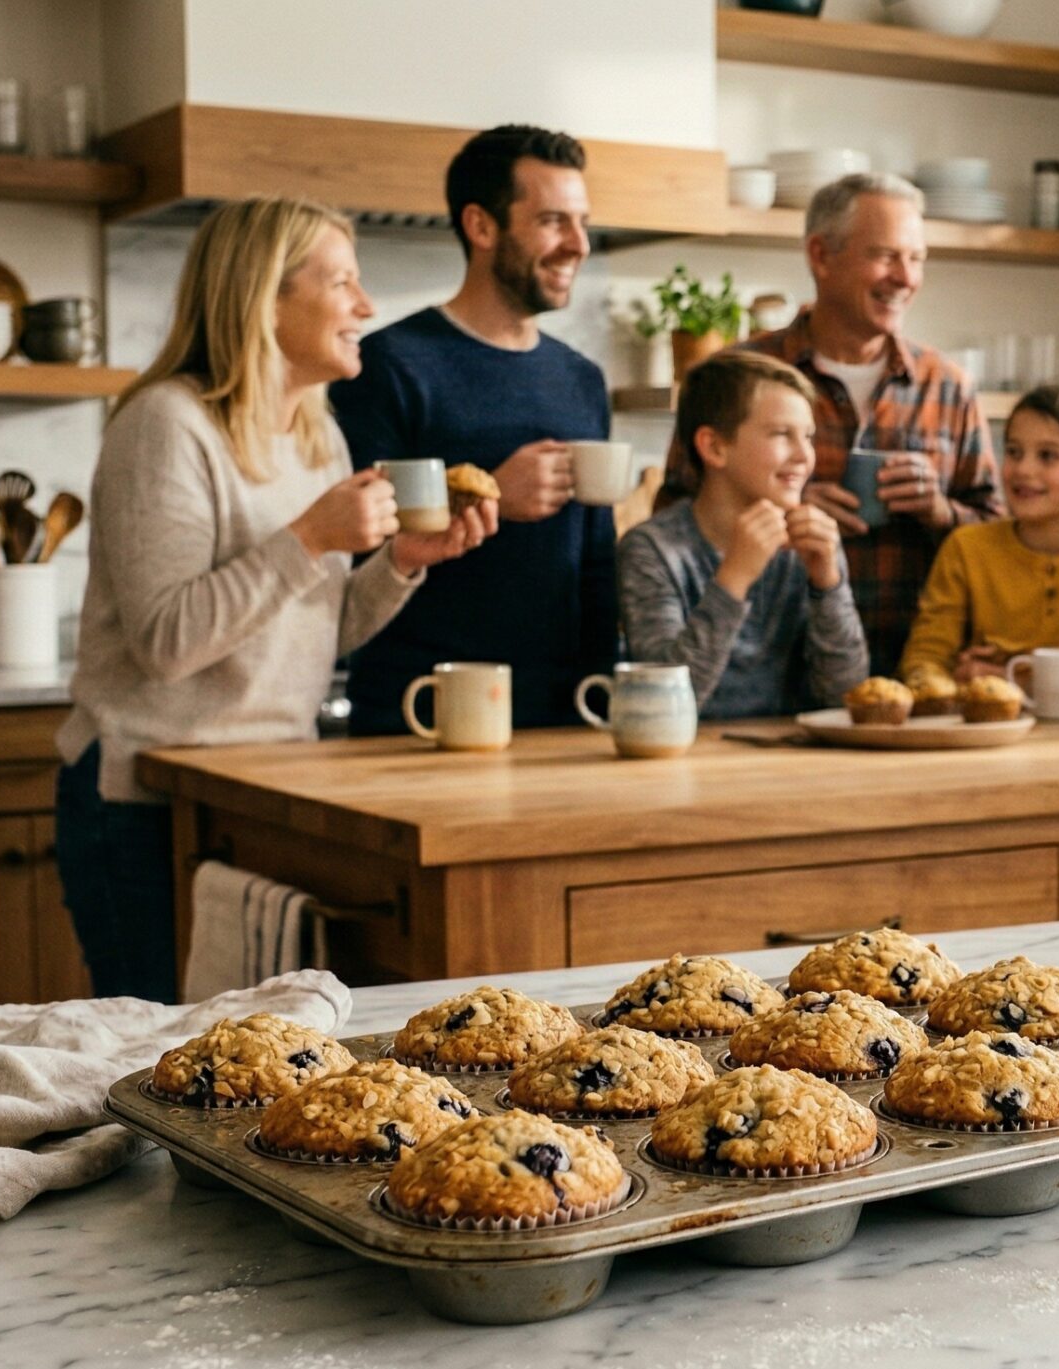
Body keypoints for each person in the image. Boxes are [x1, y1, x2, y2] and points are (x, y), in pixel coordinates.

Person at [56, 197, 494, 1001]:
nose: (366, 307)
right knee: (149, 1059)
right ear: (265, 297)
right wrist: (309, 538)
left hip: (262, 796)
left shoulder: (314, 435)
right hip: (142, 798)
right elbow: (166, 642)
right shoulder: (166, 424)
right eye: (342, 283)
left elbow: (314, 630)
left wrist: (399, 563)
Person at [330, 125, 616, 735]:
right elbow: (357, 554)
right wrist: (491, 494)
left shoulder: (582, 379)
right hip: (419, 716)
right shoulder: (386, 366)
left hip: (560, 721)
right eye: (553, 222)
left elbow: (595, 565)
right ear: (482, 227)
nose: (579, 245)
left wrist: (601, 702)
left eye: (582, 222)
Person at [664, 173, 1002, 673]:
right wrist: (780, 513)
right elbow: (673, 516)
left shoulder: (948, 385)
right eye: (886, 256)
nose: (906, 278)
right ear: (820, 256)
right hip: (767, 682)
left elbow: (1003, 540)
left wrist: (939, 511)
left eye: (916, 258)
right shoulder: (736, 376)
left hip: (922, 672)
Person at [618, 351, 867, 718]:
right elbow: (663, 710)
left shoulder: (812, 545)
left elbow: (845, 696)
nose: (804, 456)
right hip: (682, 764)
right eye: (782, 434)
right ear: (715, 447)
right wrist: (733, 578)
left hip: (792, 760)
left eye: (808, 437)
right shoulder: (653, 549)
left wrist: (828, 585)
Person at [899, 386, 1059, 708]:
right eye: (1014, 452)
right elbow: (924, 662)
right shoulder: (966, 546)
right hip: (983, 733)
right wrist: (951, 689)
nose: (1023, 469)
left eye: (1047, 456)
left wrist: (1008, 676)